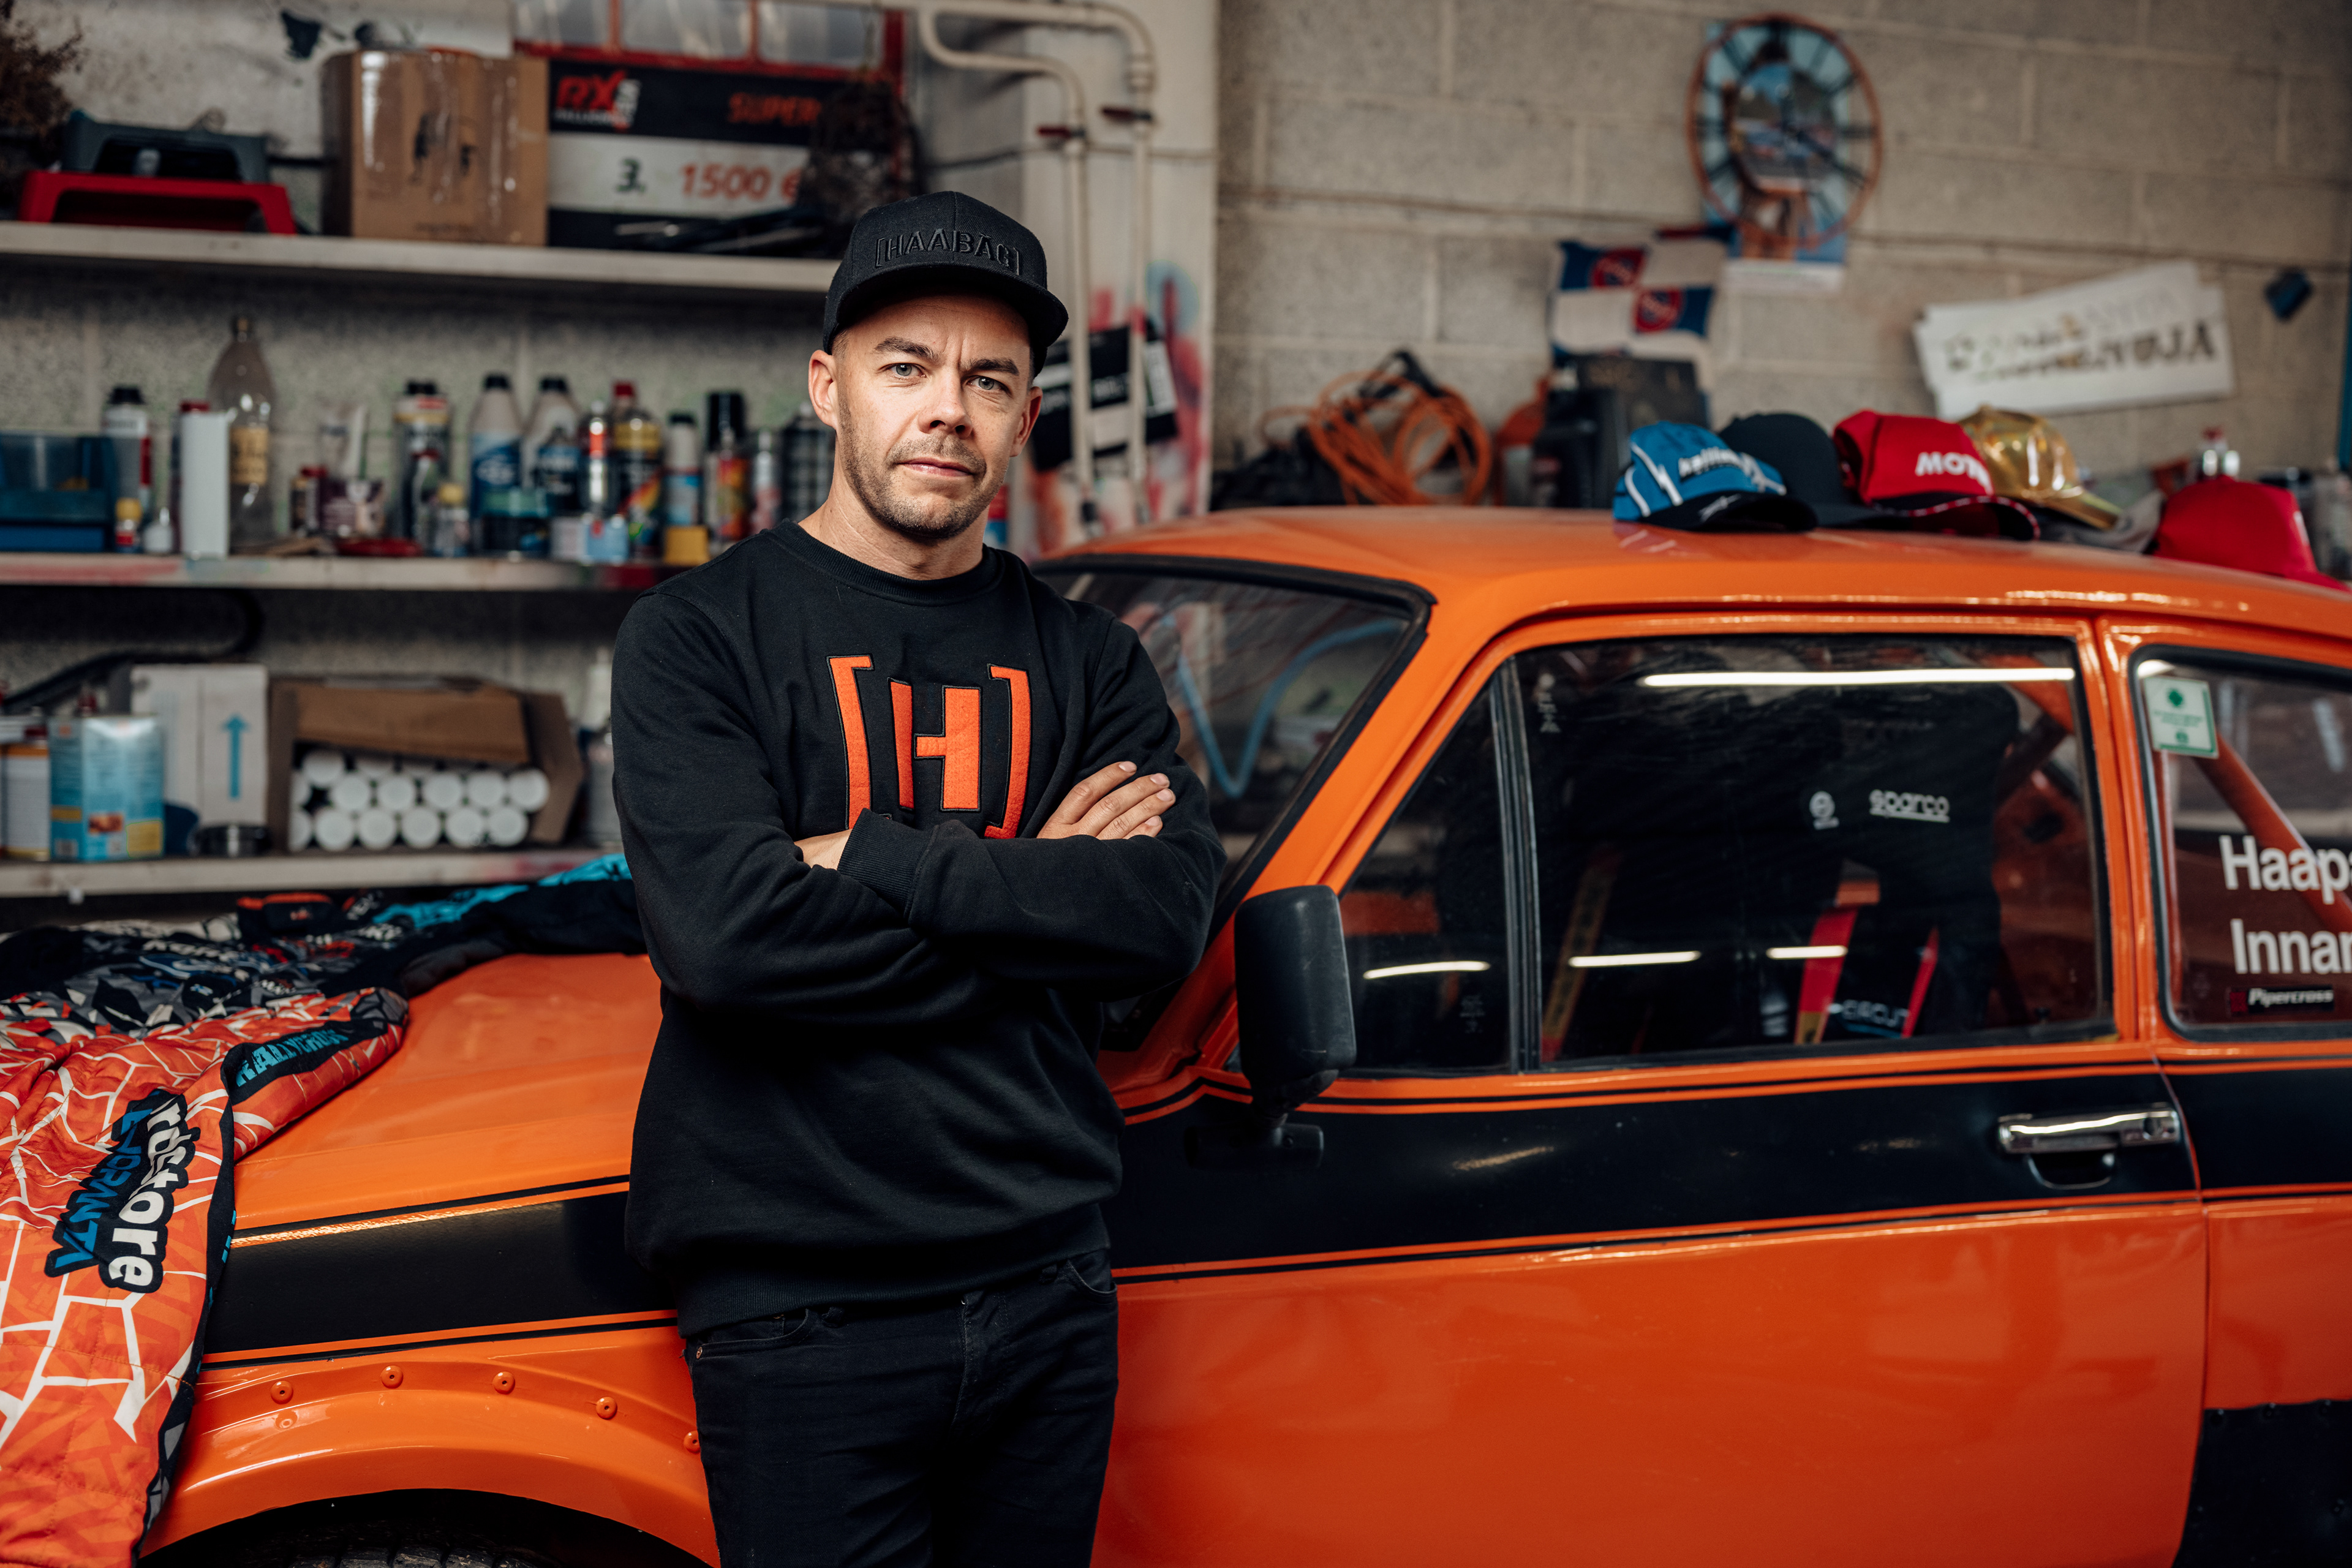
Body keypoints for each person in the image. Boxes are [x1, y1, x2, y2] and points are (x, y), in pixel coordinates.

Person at [612, 190, 1223, 1568]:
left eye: (988, 380)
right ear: (828, 385)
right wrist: (1040, 897)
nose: (948, 408)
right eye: (907, 366)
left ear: (1025, 416)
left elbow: (1161, 920)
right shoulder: (698, 637)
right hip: (799, 1302)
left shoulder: (1091, 660)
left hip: (1048, 1280)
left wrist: (873, 857)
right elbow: (729, 944)